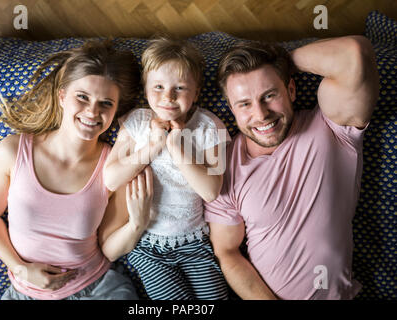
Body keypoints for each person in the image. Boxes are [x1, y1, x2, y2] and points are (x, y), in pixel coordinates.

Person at [0, 41, 154, 300]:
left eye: (106, 103)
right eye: (82, 97)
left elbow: (110, 249)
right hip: (25, 291)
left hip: (97, 290)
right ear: (62, 96)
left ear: (116, 111)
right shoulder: (12, 152)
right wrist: (20, 268)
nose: (93, 112)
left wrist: (138, 224)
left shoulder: (116, 168)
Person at [204, 36, 379, 299]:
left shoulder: (331, 126)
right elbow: (227, 252)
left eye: (269, 95)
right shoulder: (223, 165)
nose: (261, 114)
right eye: (245, 104)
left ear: (292, 90)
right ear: (232, 108)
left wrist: (282, 63)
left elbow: (354, 53)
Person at [103, 37, 230, 300]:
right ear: (145, 89)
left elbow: (211, 191)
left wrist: (177, 146)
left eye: (180, 88)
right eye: (158, 87)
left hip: (195, 243)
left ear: (196, 92)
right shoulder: (137, 122)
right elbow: (111, 178)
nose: (168, 97)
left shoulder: (209, 127)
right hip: (148, 245)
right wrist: (152, 146)